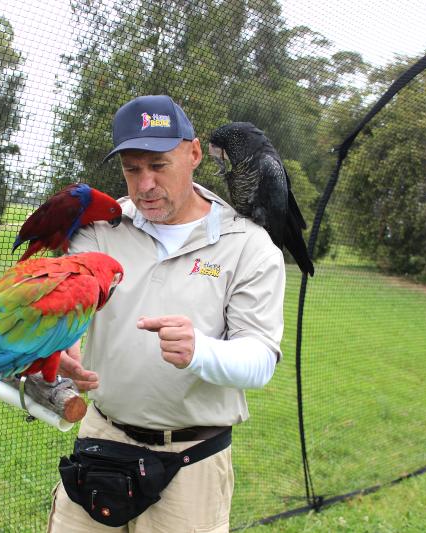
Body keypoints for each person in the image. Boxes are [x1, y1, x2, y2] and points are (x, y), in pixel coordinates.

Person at [47, 95, 285, 532]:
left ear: (194, 153)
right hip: (101, 440)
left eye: (158, 165)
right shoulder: (102, 229)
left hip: (191, 461)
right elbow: (63, 300)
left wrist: (201, 351)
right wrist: (60, 343)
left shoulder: (248, 245)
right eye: (132, 169)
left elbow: (260, 361)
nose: (145, 185)